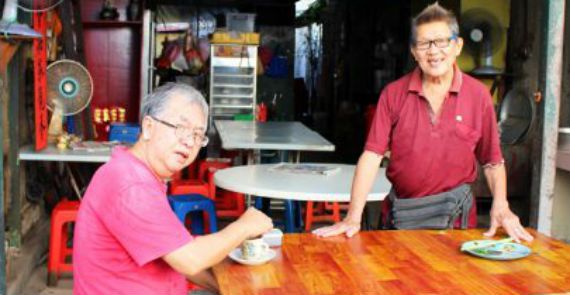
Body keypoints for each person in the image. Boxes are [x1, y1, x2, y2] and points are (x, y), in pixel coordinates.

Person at [313, 3, 533, 243]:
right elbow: (372, 156)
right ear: (413, 52)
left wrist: (500, 205)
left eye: (441, 41)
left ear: (457, 46)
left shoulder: (478, 96)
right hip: (401, 218)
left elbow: (492, 161)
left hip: (456, 225)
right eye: (424, 43)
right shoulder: (393, 94)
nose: (433, 51)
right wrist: (353, 217)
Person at [73, 83, 273, 294]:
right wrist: (244, 227)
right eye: (181, 128)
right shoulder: (130, 184)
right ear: (149, 127)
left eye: (197, 135)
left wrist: (226, 288)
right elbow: (190, 260)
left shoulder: (137, 173)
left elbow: (174, 253)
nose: (189, 142)